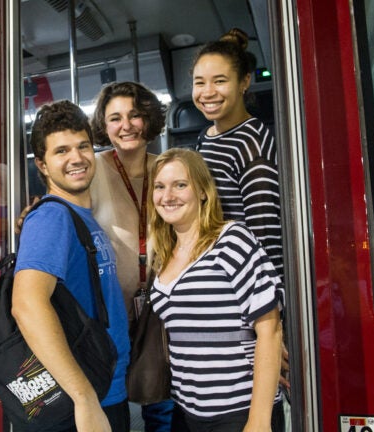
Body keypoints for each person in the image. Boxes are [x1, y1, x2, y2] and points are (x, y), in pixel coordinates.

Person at [12, 100, 130, 432]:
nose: (76, 158)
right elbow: (26, 304)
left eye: (82, 147)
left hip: (105, 390)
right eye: (61, 151)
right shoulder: (52, 217)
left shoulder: (83, 217)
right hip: (84, 403)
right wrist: (84, 398)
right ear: (43, 165)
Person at [147, 148, 284, 432]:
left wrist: (259, 421)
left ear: (203, 191)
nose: (167, 196)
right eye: (160, 187)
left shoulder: (232, 240)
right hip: (187, 409)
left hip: (239, 409)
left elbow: (270, 329)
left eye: (180, 185)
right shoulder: (163, 254)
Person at [89, 81, 174, 430]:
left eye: (135, 115)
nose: (126, 125)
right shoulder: (91, 170)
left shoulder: (169, 169)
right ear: (104, 126)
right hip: (111, 315)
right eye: (115, 118)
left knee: (162, 403)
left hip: (162, 311)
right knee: (112, 404)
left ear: (149, 119)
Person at [190, 28, 283, 276]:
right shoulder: (205, 137)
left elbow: (265, 237)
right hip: (221, 268)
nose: (207, 92)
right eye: (199, 82)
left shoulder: (251, 142)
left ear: (244, 82)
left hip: (247, 281)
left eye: (220, 81)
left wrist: (269, 305)